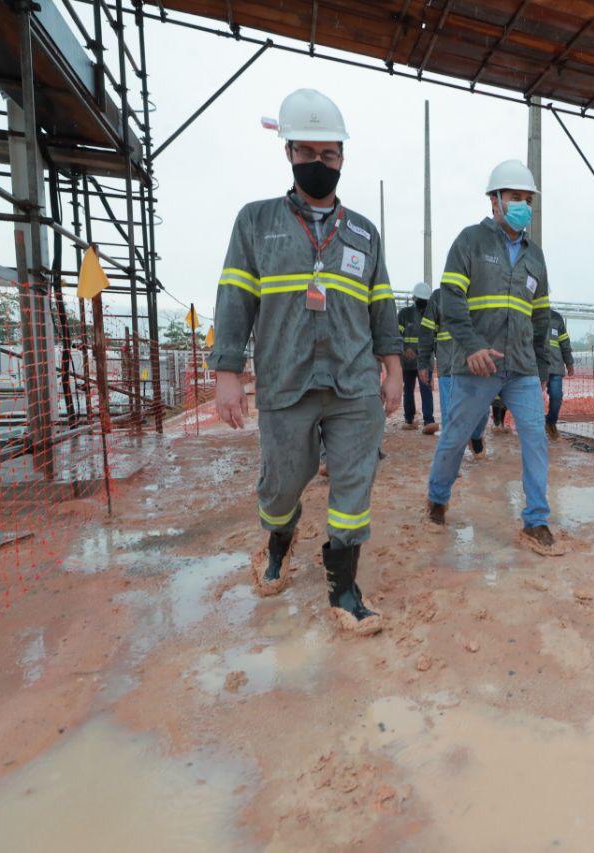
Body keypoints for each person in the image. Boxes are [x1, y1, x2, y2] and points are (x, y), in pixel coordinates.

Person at [209, 88, 402, 631]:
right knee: (282, 484)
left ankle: (344, 584)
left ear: (342, 158)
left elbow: (382, 306)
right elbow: (234, 298)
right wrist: (228, 377)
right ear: (289, 152)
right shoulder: (256, 221)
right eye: (309, 154)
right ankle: (280, 539)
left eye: (330, 155)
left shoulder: (364, 231)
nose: (320, 165)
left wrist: (394, 371)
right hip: (285, 380)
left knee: (353, 484)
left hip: (353, 382)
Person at [424, 159, 564, 556]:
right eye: (515, 197)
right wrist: (470, 347)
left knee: (535, 439)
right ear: (494, 200)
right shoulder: (469, 242)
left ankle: (536, 521)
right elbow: (450, 300)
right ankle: (437, 497)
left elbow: (540, 316)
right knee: (455, 437)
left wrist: (541, 364)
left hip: (520, 368)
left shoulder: (536, 256)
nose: (522, 205)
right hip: (477, 366)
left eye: (527, 199)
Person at [417, 285, 490, 458]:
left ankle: (475, 435)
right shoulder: (439, 297)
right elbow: (426, 330)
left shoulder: (481, 292)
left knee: (482, 411)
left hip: (476, 365)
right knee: (449, 412)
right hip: (447, 365)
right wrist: (423, 362)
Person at [398, 281, 437, 433]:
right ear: (414, 298)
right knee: (408, 389)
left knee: (425, 389)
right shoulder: (404, 314)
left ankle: (429, 421)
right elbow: (396, 335)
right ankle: (409, 419)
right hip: (407, 361)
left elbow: (433, 340)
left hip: (424, 360)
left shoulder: (431, 315)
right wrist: (404, 349)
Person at [544, 307, 574, 440]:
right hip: (534, 367)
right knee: (531, 400)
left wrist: (569, 363)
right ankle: (533, 429)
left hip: (555, 367)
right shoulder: (528, 313)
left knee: (556, 397)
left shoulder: (556, 317)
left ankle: (550, 422)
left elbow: (564, 342)